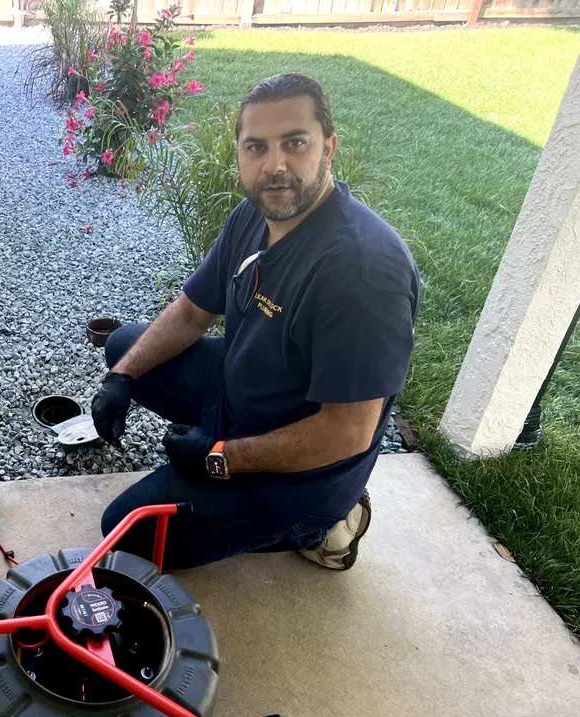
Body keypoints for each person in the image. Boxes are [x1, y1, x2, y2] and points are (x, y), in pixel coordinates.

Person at [91, 73, 421, 572]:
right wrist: (120, 379)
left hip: (304, 469)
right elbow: (190, 311)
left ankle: (323, 524)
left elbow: (346, 433)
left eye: (294, 143)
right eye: (256, 147)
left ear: (328, 148)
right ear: (241, 154)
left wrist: (218, 457)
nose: (275, 166)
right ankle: (210, 439)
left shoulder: (362, 273)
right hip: (243, 390)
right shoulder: (252, 216)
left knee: (130, 531)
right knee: (125, 348)